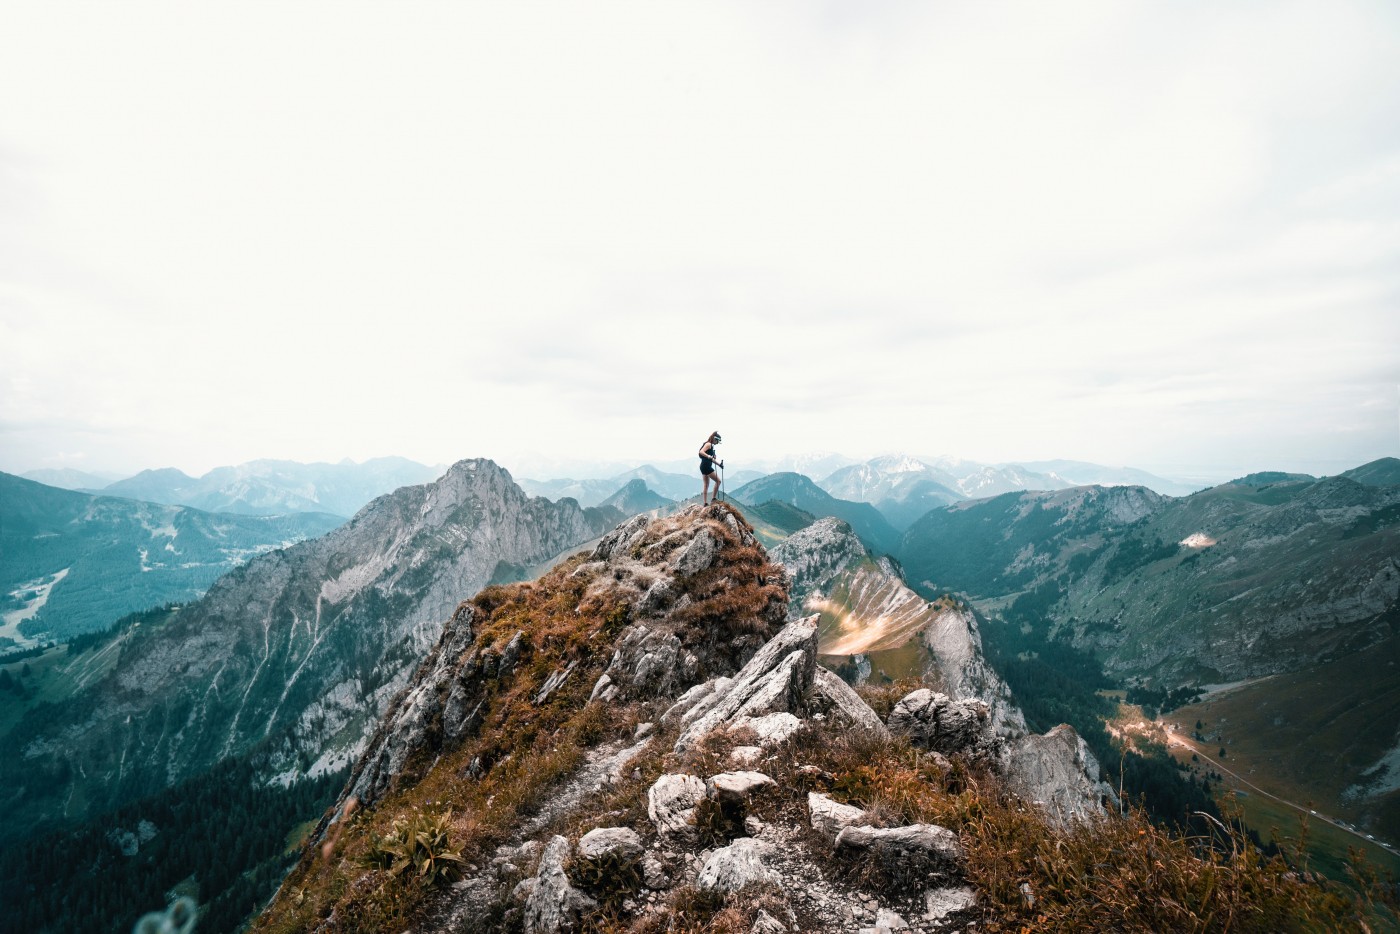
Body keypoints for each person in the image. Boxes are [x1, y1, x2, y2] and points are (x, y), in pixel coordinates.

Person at [699, 431, 723, 505]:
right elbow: (701, 452)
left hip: (703, 466)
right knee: (718, 481)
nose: (717, 443)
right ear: (714, 439)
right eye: (717, 441)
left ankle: (705, 503)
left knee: (706, 485)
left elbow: (711, 459)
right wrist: (709, 456)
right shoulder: (708, 444)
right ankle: (713, 499)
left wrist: (719, 464)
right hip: (707, 466)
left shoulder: (710, 446)